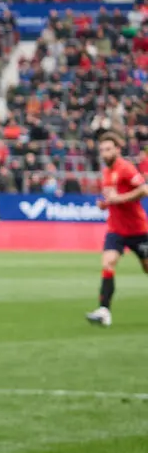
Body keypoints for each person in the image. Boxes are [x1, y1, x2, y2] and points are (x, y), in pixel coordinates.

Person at [87, 132, 148, 327]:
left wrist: (118, 199)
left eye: (108, 149)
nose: (104, 153)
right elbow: (112, 198)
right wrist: (105, 204)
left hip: (138, 230)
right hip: (116, 230)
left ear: (117, 150)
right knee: (108, 263)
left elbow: (144, 190)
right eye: (102, 150)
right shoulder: (106, 172)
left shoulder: (126, 168)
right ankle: (104, 311)